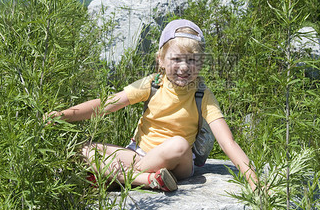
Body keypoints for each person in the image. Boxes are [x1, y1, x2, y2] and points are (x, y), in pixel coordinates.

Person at [45, 19, 257, 191]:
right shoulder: (153, 84)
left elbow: (227, 141)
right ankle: (147, 179)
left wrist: (253, 180)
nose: (184, 67)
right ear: (161, 60)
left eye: (192, 60)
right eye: (176, 59)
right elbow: (106, 105)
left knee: (179, 144)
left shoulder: (202, 94)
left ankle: (118, 177)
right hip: (139, 155)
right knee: (85, 150)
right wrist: (63, 115)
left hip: (178, 161)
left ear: (200, 63)